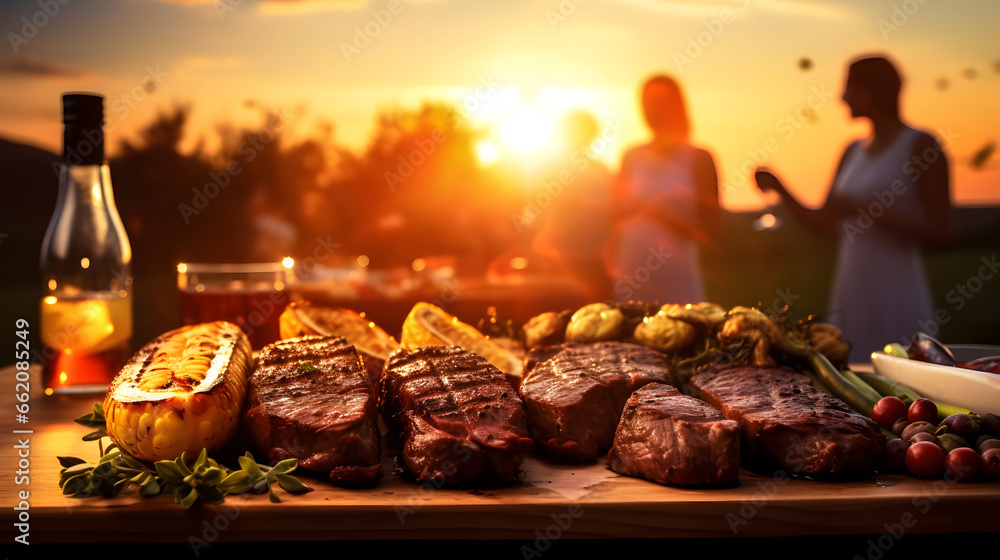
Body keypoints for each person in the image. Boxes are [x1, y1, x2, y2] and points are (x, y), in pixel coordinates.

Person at [755, 55, 953, 362]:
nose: (842, 97)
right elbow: (821, 223)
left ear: (870, 91)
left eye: (849, 87)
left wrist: (868, 209)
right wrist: (780, 187)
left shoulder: (921, 145)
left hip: (897, 291)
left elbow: (943, 230)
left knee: (908, 388)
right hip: (853, 288)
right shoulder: (851, 150)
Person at [607, 74, 721, 304]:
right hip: (630, 276)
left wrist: (658, 214)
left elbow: (712, 230)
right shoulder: (631, 156)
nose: (652, 109)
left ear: (677, 105)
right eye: (646, 103)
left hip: (677, 280)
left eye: (660, 102)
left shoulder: (699, 158)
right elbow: (612, 216)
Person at [531, 110, 615, 301]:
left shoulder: (598, 171)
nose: (576, 138)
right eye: (572, 132)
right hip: (553, 260)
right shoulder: (549, 169)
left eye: (581, 133)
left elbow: (608, 212)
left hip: (590, 260)